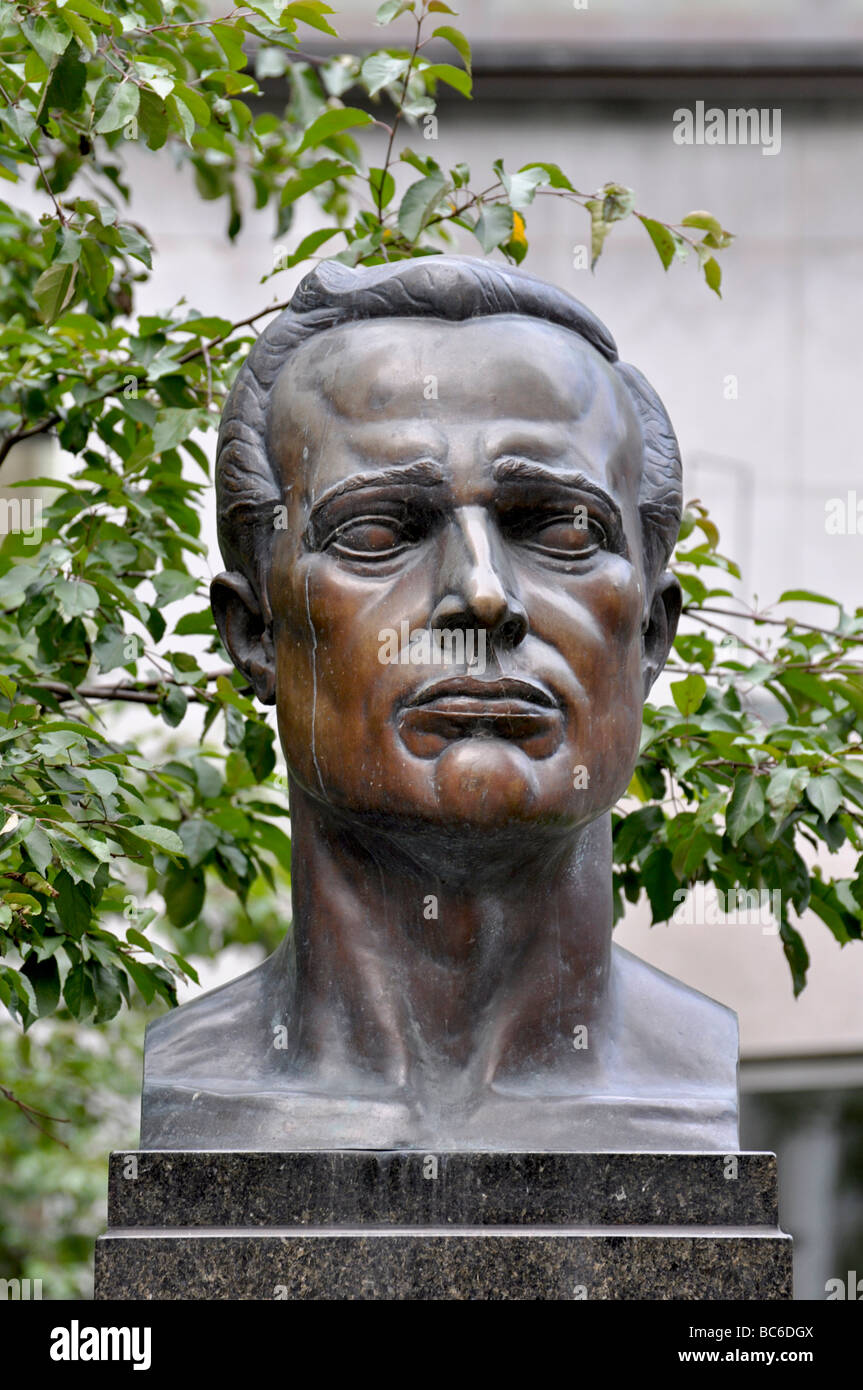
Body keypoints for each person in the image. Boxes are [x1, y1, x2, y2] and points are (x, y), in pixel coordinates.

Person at [141, 256, 738, 1152]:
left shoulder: (695, 1080)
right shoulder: (193, 1085)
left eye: (562, 529)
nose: (485, 596)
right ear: (254, 633)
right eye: (379, 530)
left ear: (649, 632)